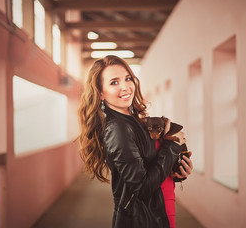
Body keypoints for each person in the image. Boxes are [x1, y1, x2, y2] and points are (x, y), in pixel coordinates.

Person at [78, 55, 193, 228]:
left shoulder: (134, 122)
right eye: (114, 82)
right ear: (101, 92)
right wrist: (172, 146)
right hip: (143, 219)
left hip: (159, 210)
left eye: (128, 78)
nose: (125, 87)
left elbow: (148, 170)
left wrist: (174, 171)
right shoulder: (118, 129)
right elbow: (141, 188)